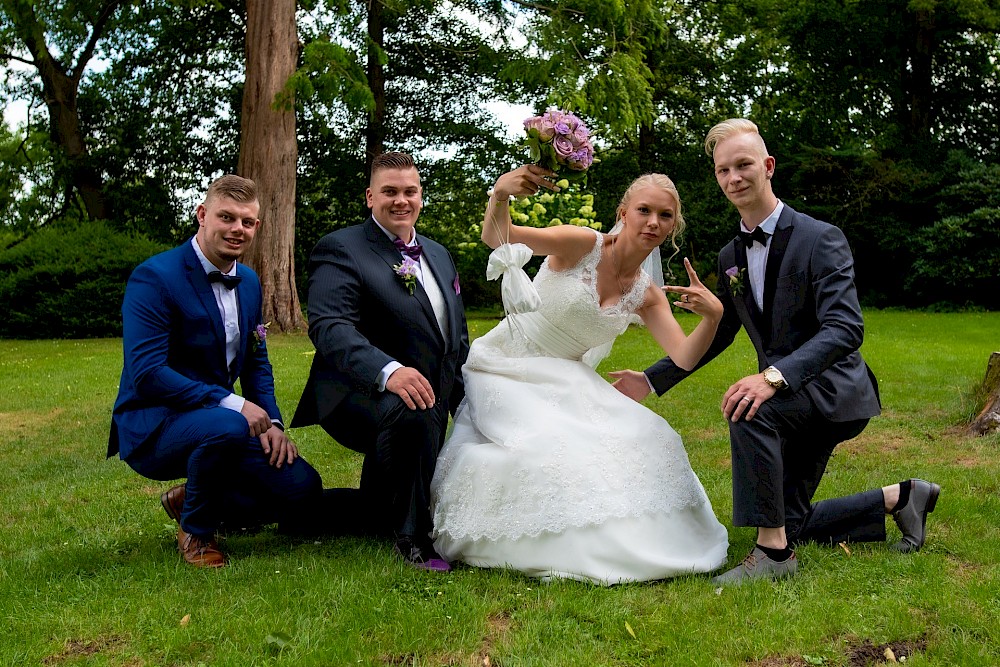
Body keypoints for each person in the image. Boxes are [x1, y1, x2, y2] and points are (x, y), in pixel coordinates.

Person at [612, 119, 940, 584]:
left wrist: (771, 378)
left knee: (747, 407)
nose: (734, 177)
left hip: (833, 391)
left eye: (743, 165)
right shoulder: (730, 256)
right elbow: (721, 331)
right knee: (790, 522)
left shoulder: (819, 238)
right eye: (723, 170)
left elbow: (845, 328)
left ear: (767, 167)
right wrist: (651, 379)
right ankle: (903, 497)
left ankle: (772, 559)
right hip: (789, 395)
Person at [429, 164, 730, 585]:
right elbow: (499, 236)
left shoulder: (646, 293)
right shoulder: (581, 244)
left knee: (649, 434)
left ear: (672, 227)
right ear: (623, 213)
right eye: (644, 210)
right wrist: (500, 194)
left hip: (567, 376)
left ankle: (631, 538)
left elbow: (682, 356)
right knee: (551, 445)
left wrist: (712, 319)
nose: (653, 222)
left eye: (665, 216)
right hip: (509, 365)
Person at [108, 175, 323, 568]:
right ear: (203, 215)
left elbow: (257, 360)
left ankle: (191, 497)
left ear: (256, 227)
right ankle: (197, 531)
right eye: (227, 217)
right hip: (155, 424)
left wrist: (271, 420)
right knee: (227, 426)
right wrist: (234, 404)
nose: (237, 229)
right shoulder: (155, 277)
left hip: (221, 421)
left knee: (302, 489)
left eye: (247, 221)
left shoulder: (250, 283)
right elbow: (148, 372)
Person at [292, 152, 470, 572]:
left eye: (410, 191)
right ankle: (414, 538)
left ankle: (278, 508)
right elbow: (331, 327)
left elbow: (455, 334)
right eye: (389, 191)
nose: (401, 200)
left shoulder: (439, 254)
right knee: (415, 408)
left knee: (374, 506)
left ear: (421, 196)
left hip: (431, 391)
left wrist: (466, 392)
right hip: (358, 392)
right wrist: (388, 372)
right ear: (370, 197)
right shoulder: (340, 247)